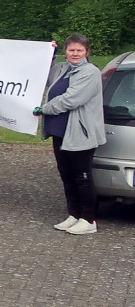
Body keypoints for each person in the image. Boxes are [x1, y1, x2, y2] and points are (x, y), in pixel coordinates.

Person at [36, 34, 106, 235]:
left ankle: (88, 219)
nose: (75, 54)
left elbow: (71, 99)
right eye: (71, 50)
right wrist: (50, 54)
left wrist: (43, 109)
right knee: (66, 175)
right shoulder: (63, 68)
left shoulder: (90, 73)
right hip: (60, 131)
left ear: (87, 52)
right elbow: (44, 74)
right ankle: (74, 214)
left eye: (79, 50)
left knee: (82, 176)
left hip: (80, 133)